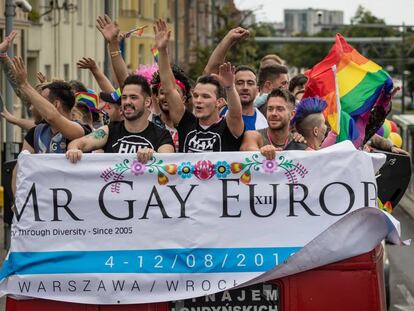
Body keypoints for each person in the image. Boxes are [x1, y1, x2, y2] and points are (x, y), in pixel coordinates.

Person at [154, 19, 244, 152]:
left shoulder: (229, 126)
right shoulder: (187, 122)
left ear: (219, 102)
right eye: (196, 95)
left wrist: (230, 87)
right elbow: (169, 89)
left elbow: (236, 114)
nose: (198, 100)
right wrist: (162, 51)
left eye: (206, 96)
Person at [66, 75, 174, 163]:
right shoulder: (110, 131)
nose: (127, 102)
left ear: (147, 102)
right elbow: (77, 143)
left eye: (133, 97)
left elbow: (168, 161)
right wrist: (74, 150)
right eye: (124, 97)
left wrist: (154, 155)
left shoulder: (162, 135)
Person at [241, 88, 300, 158]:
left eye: (280, 109)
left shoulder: (297, 140)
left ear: (292, 114)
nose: (273, 113)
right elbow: (248, 149)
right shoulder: (253, 135)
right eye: (270, 109)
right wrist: (260, 152)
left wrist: (302, 145)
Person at [220, 66, 267, 131]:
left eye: (250, 83)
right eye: (240, 83)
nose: (245, 88)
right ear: (232, 86)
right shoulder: (219, 112)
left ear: (257, 90)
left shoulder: (264, 125)